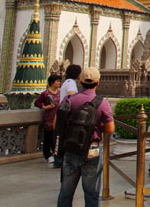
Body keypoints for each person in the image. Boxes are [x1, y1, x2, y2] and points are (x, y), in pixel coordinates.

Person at [56, 67, 114, 207]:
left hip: (71, 148)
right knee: (91, 193)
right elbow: (110, 129)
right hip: (91, 149)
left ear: (80, 82)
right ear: (97, 83)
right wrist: (97, 127)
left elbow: (58, 124)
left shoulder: (69, 99)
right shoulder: (102, 103)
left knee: (66, 192)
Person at [55, 64, 82, 168]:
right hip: (67, 113)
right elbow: (71, 96)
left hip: (62, 112)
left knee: (61, 136)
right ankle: (61, 160)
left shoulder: (67, 82)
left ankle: (59, 159)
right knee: (65, 136)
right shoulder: (71, 83)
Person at [35, 74, 61, 163]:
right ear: (52, 82)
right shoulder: (46, 93)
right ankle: (47, 155)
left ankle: (55, 153)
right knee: (48, 137)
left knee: (56, 138)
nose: (59, 83)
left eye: (59, 81)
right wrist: (45, 107)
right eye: (57, 81)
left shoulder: (60, 92)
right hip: (49, 118)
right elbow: (37, 103)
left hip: (57, 117)